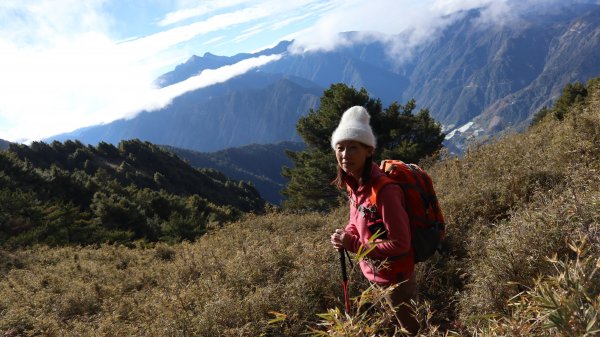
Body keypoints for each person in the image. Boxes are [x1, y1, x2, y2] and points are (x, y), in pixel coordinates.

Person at [329, 106, 420, 335]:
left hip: (395, 279)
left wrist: (355, 246)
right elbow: (355, 221)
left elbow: (401, 243)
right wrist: (346, 235)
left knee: (414, 331)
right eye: (340, 148)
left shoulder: (384, 191)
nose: (345, 155)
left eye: (353, 148)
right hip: (375, 273)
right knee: (392, 327)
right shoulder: (355, 184)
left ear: (369, 151)